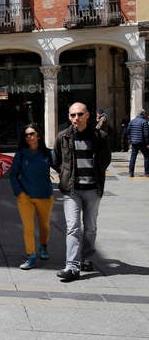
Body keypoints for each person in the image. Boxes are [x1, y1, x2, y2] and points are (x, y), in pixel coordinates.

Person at [53, 102, 111, 282]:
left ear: (87, 116)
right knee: (73, 227)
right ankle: (72, 266)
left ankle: (86, 258)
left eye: (79, 114)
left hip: (93, 189)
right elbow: (55, 159)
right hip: (71, 190)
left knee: (90, 228)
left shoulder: (100, 136)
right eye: (72, 115)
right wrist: (65, 174)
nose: (75, 118)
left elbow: (105, 160)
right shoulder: (63, 136)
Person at [9, 124, 54, 270]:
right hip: (25, 196)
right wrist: (19, 192)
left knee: (44, 225)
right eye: (26, 135)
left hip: (44, 195)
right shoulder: (21, 154)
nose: (29, 137)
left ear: (38, 135)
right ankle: (31, 256)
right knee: (28, 227)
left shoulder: (48, 154)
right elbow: (13, 174)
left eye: (32, 134)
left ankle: (44, 246)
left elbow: (61, 167)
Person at [126, 109, 149, 177]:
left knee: (133, 157)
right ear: (143, 114)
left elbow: (128, 132)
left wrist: (130, 141)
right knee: (147, 156)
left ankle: (131, 172)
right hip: (142, 142)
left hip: (134, 142)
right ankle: (147, 172)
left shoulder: (132, 121)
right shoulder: (144, 122)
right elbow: (146, 134)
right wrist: (147, 143)